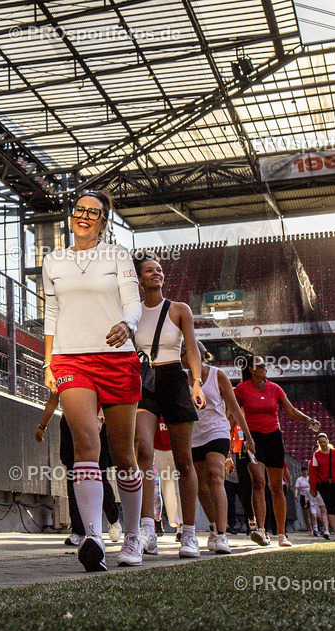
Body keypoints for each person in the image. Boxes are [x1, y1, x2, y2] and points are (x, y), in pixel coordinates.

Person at [43, 190, 143, 570]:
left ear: (103, 221)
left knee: (123, 456)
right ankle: (94, 538)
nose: (84, 216)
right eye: (79, 210)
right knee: (86, 443)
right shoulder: (54, 260)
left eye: (93, 212)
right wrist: (48, 360)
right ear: (73, 216)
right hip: (71, 359)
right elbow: (51, 311)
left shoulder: (117, 255)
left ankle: (132, 537)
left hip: (117, 358)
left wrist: (128, 324)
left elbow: (132, 300)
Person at [132, 253, 206, 559]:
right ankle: (147, 528)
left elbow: (192, 348)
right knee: (143, 452)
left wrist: (197, 381)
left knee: (183, 460)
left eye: (159, 270)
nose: (156, 274)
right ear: (138, 278)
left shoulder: (179, 309)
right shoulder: (132, 312)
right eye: (149, 270)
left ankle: (188, 533)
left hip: (174, 377)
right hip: (144, 380)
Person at [234, 356, 320, 548]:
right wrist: (230, 438)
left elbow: (290, 411)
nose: (265, 368)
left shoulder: (275, 388)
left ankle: (281, 534)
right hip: (253, 439)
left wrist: (308, 420)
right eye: (261, 365)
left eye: (265, 365)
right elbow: (234, 411)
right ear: (251, 369)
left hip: (274, 438)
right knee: (258, 482)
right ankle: (261, 530)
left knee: (276, 487)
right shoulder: (242, 389)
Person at [182, 339, 256, 555]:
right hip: (193, 435)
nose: (181, 358)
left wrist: (248, 438)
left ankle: (222, 534)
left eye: (184, 354)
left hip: (217, 431)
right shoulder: (181, 378)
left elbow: (234, 407)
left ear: (196, 354)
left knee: (216, 475)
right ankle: (214, 526)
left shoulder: (217, 375)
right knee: (201, 486)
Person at [36, 393, 122, 545]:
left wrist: (100, 418)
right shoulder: (60, 372)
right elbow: (53, 399)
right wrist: (42, 426)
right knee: (72, 475)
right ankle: (78, 530)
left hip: (96, 422)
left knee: (99, 475)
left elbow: (105, 393)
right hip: (70, 422)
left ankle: (113, 518)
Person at [152, 418, 182, 538]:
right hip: (155, 447)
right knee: (156, 489)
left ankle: (182, 525)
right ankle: (154, 521)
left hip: (177, 444)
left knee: (177, 487)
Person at [294, 466, 315, 534]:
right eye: (303, 471)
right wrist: (296, 494)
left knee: (313, 512)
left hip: (311, 496)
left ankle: (316, 527)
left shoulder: (310, 478)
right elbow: (297, 488)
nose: (305, 472)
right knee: (306, 514)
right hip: (303, 496)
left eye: (306, 471)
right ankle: (310, 528)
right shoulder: (299, 479)